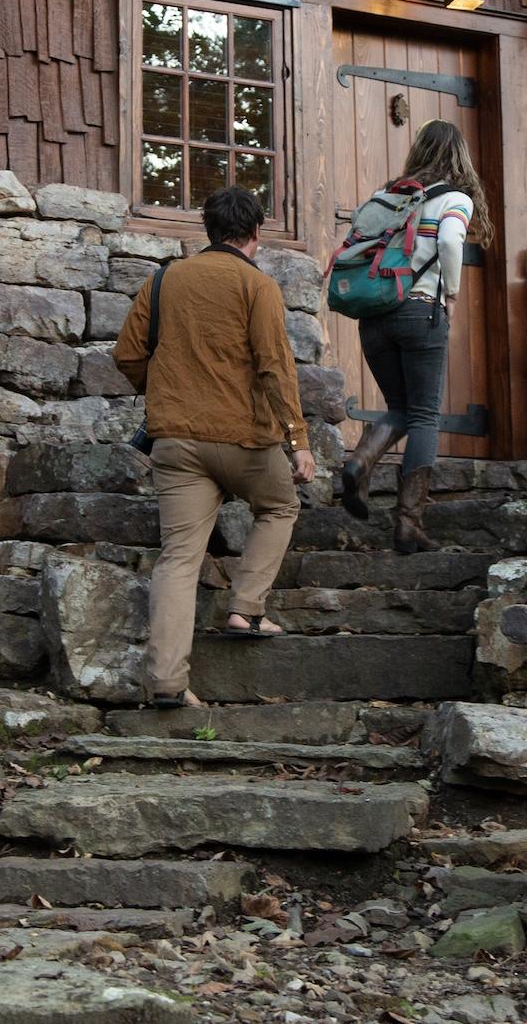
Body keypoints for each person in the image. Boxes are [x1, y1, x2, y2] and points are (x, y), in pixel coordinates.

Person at [116, 185, 316, 709]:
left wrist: (165, 390)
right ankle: (246, 607)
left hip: (176, 443)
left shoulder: (162, 280)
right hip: (245, 442)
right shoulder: (258, 286)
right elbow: (276, 366)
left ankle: (166, 683)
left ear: (207, 230)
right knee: (279, 505)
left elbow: (128, 355)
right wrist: (299, 442)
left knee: (178, 559)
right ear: (256, 233)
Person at [341, 119, 493, 552]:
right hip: (421, 311)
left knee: (401, 407)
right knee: (424, 413)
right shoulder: (455, 198)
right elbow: (448, 242)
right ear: (458, 157)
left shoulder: (387, 196)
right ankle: (408, 524)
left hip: (374, 315)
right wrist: (454, 294)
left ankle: (362, 460)